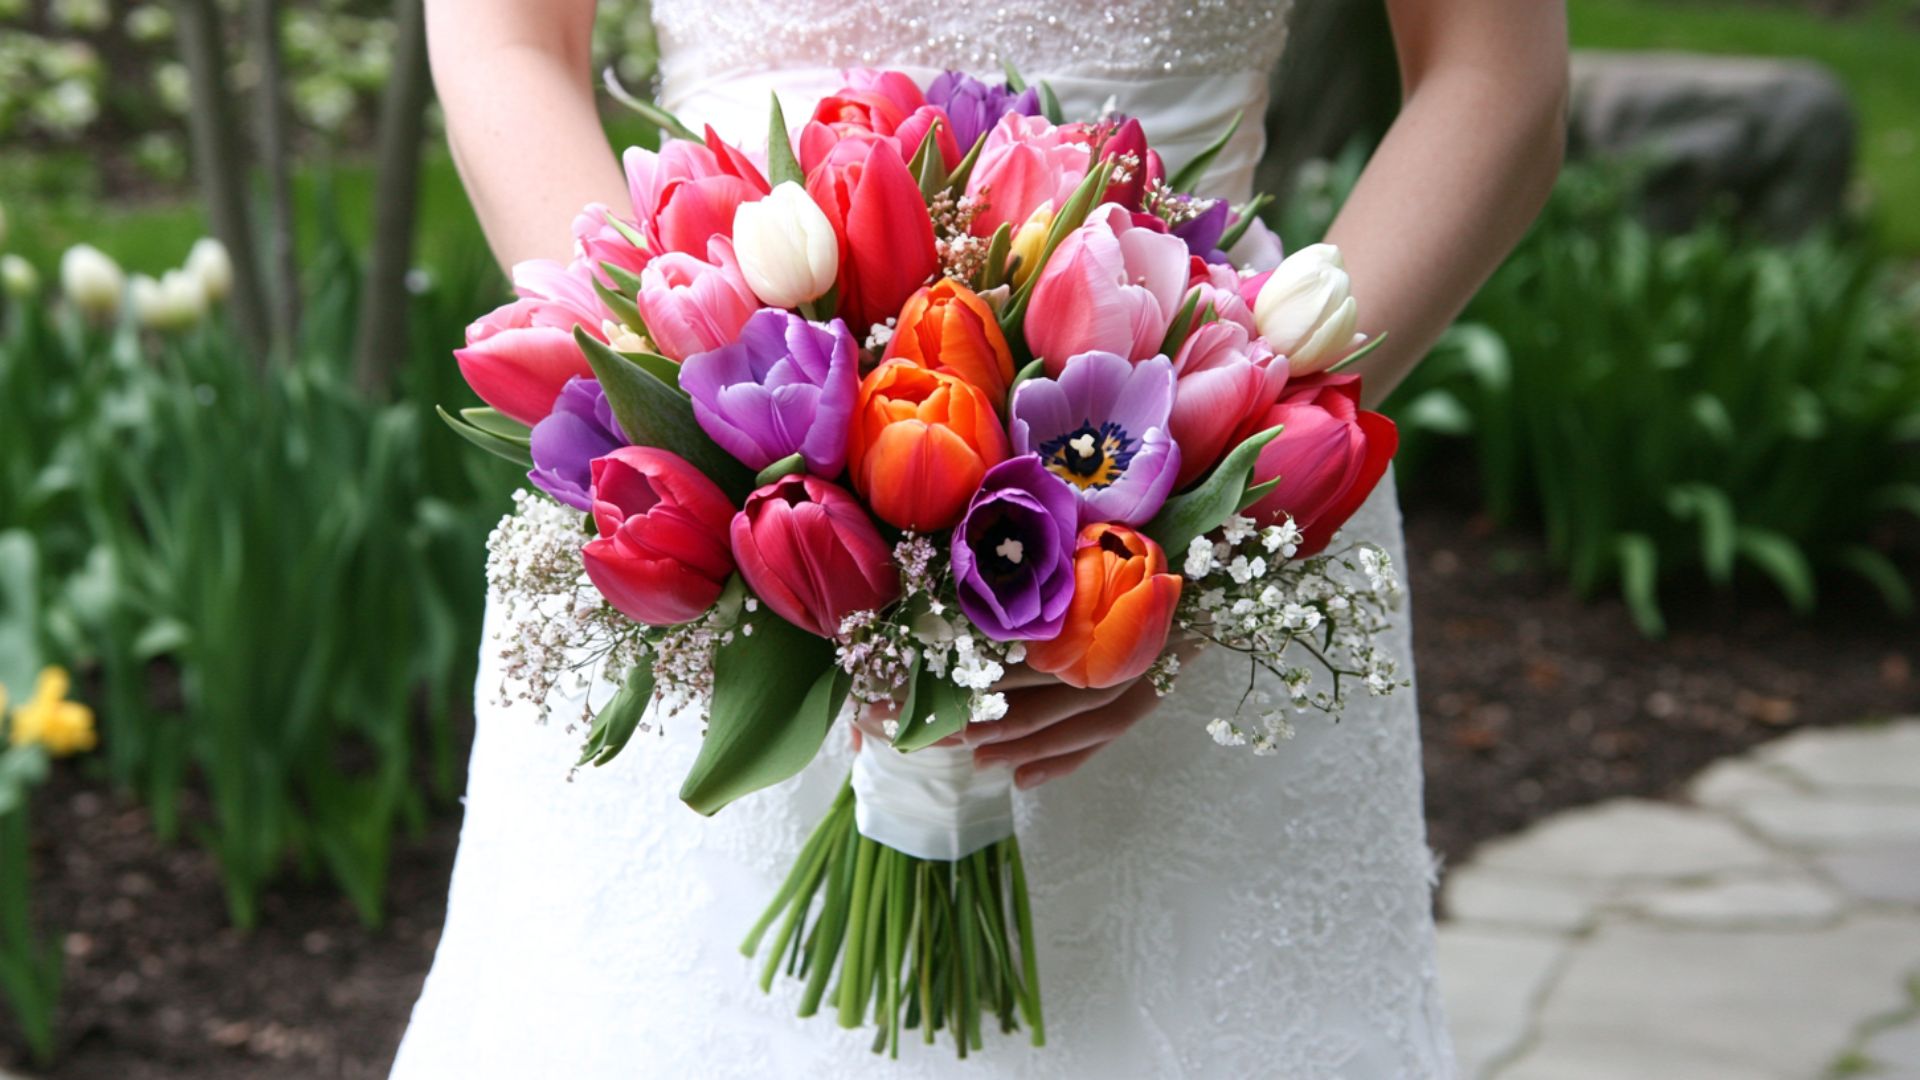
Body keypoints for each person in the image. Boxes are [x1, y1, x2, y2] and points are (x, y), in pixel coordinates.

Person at [394, 2, 1567, 1076]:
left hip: (1188, 447)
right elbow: (508, 41)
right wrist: (672, 382)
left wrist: (1238, 481)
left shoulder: (1220, 485)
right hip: (712, 481)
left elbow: (1491, 75)